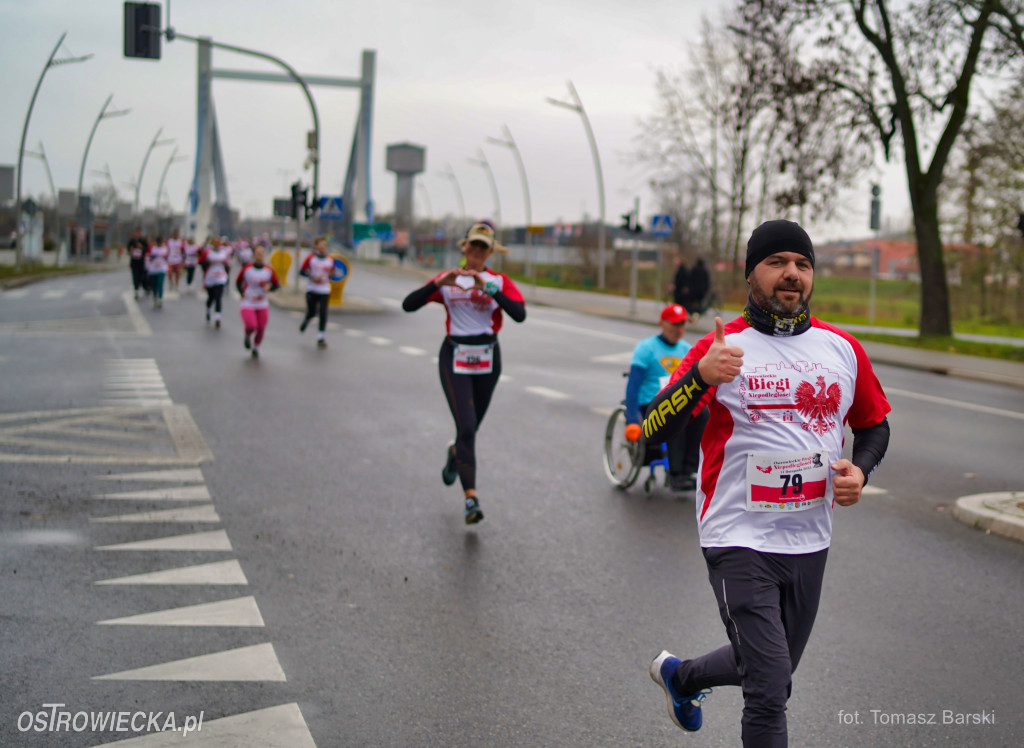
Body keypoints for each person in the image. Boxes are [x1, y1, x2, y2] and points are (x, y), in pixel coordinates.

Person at [643, 219, 891, 746]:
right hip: (737, 535)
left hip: (809, 538)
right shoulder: (724, 347)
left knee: (769, 666)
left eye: (802, 265)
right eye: (777, 262)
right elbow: (652, 429)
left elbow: (873, 424)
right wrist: (700, 378)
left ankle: (681, 677)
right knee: (771, 685)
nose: (791, 274)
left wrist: (860, 471)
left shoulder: (841, 348)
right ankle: (687, 679)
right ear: (751, 274)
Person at [402, 221, 526, 525]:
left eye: (484, 247)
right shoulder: (448, 279)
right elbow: (408, 305)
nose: (477, 251)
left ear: (490, 252)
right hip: (454, 356)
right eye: (473, 245)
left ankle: (456, 452)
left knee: (470, 429)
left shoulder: (498, 280)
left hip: (487, 359)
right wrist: (439, 284)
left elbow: (520, 314)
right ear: (465, 247)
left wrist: (491, 290)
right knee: (468, 426)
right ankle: (471, 499)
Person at [623, 303, 709, 492]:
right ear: (662, 323)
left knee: (702, 412)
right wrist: (631, 420)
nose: (679, 330)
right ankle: (675, 474)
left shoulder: (687, 349)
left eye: (682, 325)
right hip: (650, 404)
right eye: (674, 324)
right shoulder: (646, 348)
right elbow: (633, 386)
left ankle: (689, 470)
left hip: (677, 400)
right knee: (675, 414)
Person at [235, 245, 280, 359]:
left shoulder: (269, 270)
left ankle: (256, 347)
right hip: (248, 302)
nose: (260, 256)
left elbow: (277, 284)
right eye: (257, 253)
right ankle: (247, 334)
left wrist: (270, 288)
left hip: (262, 303)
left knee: (261, 327)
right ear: (254, 255)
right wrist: (242, 292)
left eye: (262, 253)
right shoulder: (247, 268)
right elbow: (238, 282)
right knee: (252, 325)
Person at [298, 236, 334, 349]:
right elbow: (302, 271)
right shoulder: (311, 258)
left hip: (324, 290)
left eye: (325, 245)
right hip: (312, 289)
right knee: (312, 312)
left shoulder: (330, 260)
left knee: (323, 312)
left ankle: (320, 337)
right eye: (321, 245)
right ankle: (307, 320)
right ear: (316, 246)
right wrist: (313, 276)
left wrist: (330, 276)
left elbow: (333, 273)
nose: (323, 247)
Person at [199, 237, 231, 328]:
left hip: (220, 278)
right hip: (210, 278)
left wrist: (226, 265)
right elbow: (201, 262)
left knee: (218, 297)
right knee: (211, 297)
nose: (217, 245)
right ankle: (208, 309)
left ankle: (217, 318)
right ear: (213, 244)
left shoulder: (224, 253)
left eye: (219, 243)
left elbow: (228, 265)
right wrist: (208, 261)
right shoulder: (208, 253)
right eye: (215, 243)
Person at [146, 236, 169, 309]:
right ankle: (155, 296)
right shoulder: (152, 249)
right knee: (154, 285)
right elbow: (148, 257)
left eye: (161, 242)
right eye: (158, 242)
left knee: (160, 283)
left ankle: (160, 298)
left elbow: (167, 258)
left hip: (161, 269)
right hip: (153, 270)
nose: (160, 243)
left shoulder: (165, 249)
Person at [126, 227, 148, 300]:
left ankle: (145, 287)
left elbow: (147, 249)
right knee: (135, 277)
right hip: (134, 262)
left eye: (139, 233)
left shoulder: (142, 240)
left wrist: (141, 247)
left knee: (142, 276)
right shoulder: (132, 241)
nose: (137, 234)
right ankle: (136, 291)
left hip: (141, 262)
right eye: (136, 232)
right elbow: (128, 250)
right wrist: (130, 250)